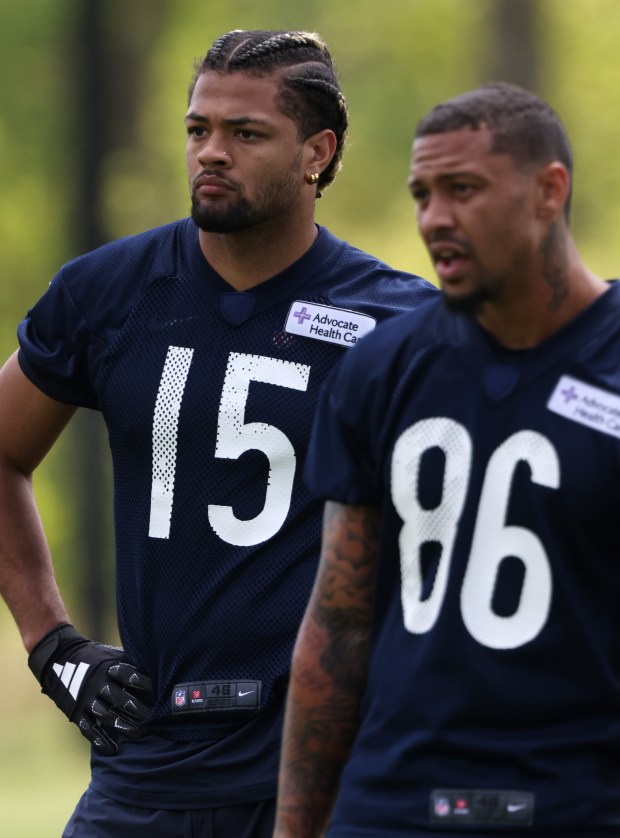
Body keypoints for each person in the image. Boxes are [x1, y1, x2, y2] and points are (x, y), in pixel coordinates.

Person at [0, 28, 436, 838]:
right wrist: (50, 643)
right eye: (199, 129)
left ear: (318, 152)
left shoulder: (396, 320)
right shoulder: (108, 291)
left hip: (329, 771)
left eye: (246, 134)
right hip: (149, 763)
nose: (211, 153)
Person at [274, 82, 620, 837]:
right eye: (422, 194)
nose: (435, 218)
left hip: (575, 807)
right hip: (393, 806)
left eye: (463, 190)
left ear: (548, 191)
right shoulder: (382, 367)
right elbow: (337, 628)